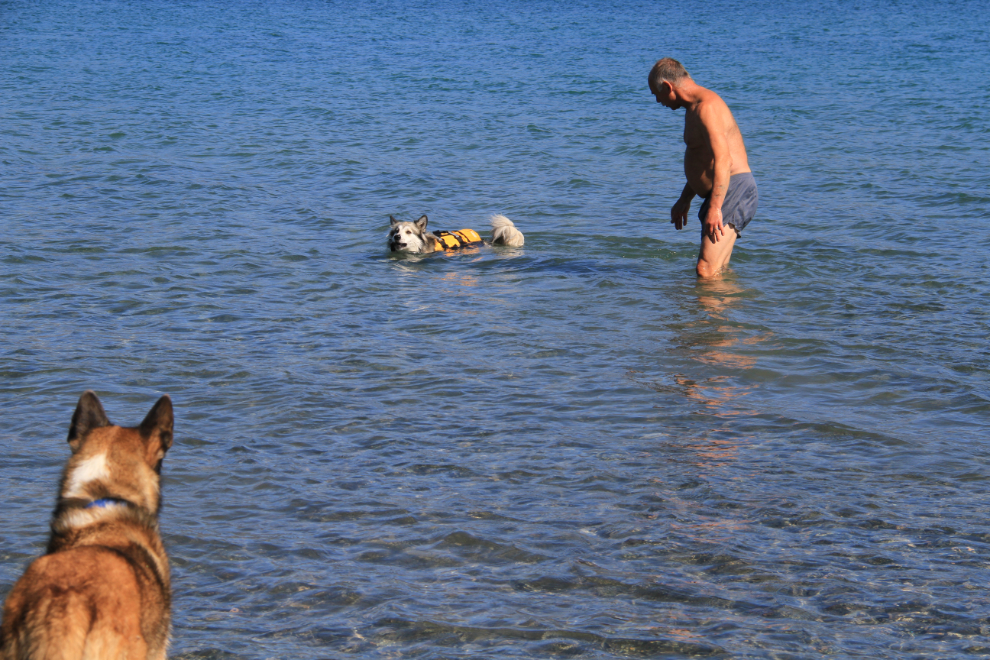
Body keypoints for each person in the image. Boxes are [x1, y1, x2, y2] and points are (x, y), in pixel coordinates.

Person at [648, 58, 758, 278]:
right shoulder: (693, 108)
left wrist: (716, 207)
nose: (657, 100)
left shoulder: (706, 108)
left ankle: (715, 311)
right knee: (716, 271)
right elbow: (704, 162)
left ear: (668, 87)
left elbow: (723, 160)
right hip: (724, 191)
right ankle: (727, 310)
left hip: (732, 189)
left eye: (656, 94)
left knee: (706, 269)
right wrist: (685, 199)